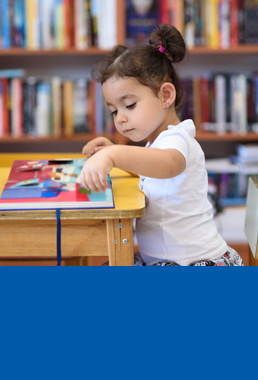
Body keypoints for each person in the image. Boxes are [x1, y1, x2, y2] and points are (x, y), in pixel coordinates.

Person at [79, 24, 243, 266]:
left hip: (198, 265)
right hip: (166, 262)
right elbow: (151, 171)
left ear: (166, 95)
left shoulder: (177, 139)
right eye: (114, 111)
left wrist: (114, 154)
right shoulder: (158, 143)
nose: (120, 118)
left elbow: (166, 166)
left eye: (129, 105)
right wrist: (111, 153)